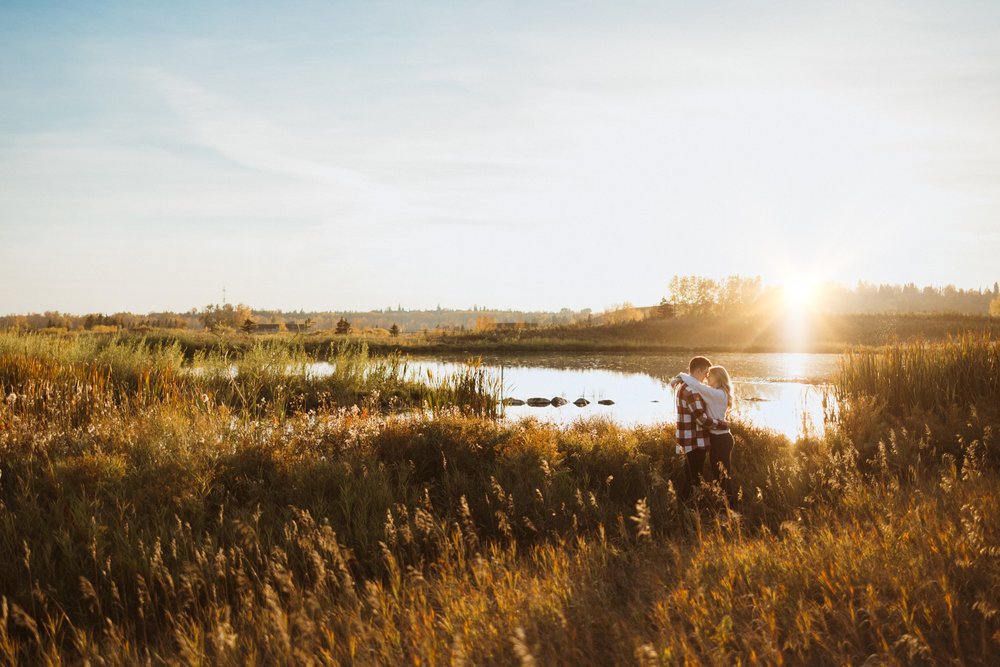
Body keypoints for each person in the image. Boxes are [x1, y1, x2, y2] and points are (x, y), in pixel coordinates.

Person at [674, 364, 737, 509]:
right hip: (719, 439)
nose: (706, 378)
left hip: (721, 439)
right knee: (720, 476)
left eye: (709, 376)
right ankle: (726, 508)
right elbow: (697, 385)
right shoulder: (716, 392)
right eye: (706, 375)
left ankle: (730, 509)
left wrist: (680, 377)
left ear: (718, 378)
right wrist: (677, 379)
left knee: (723, 477)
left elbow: (696, 384)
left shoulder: (717, 394)